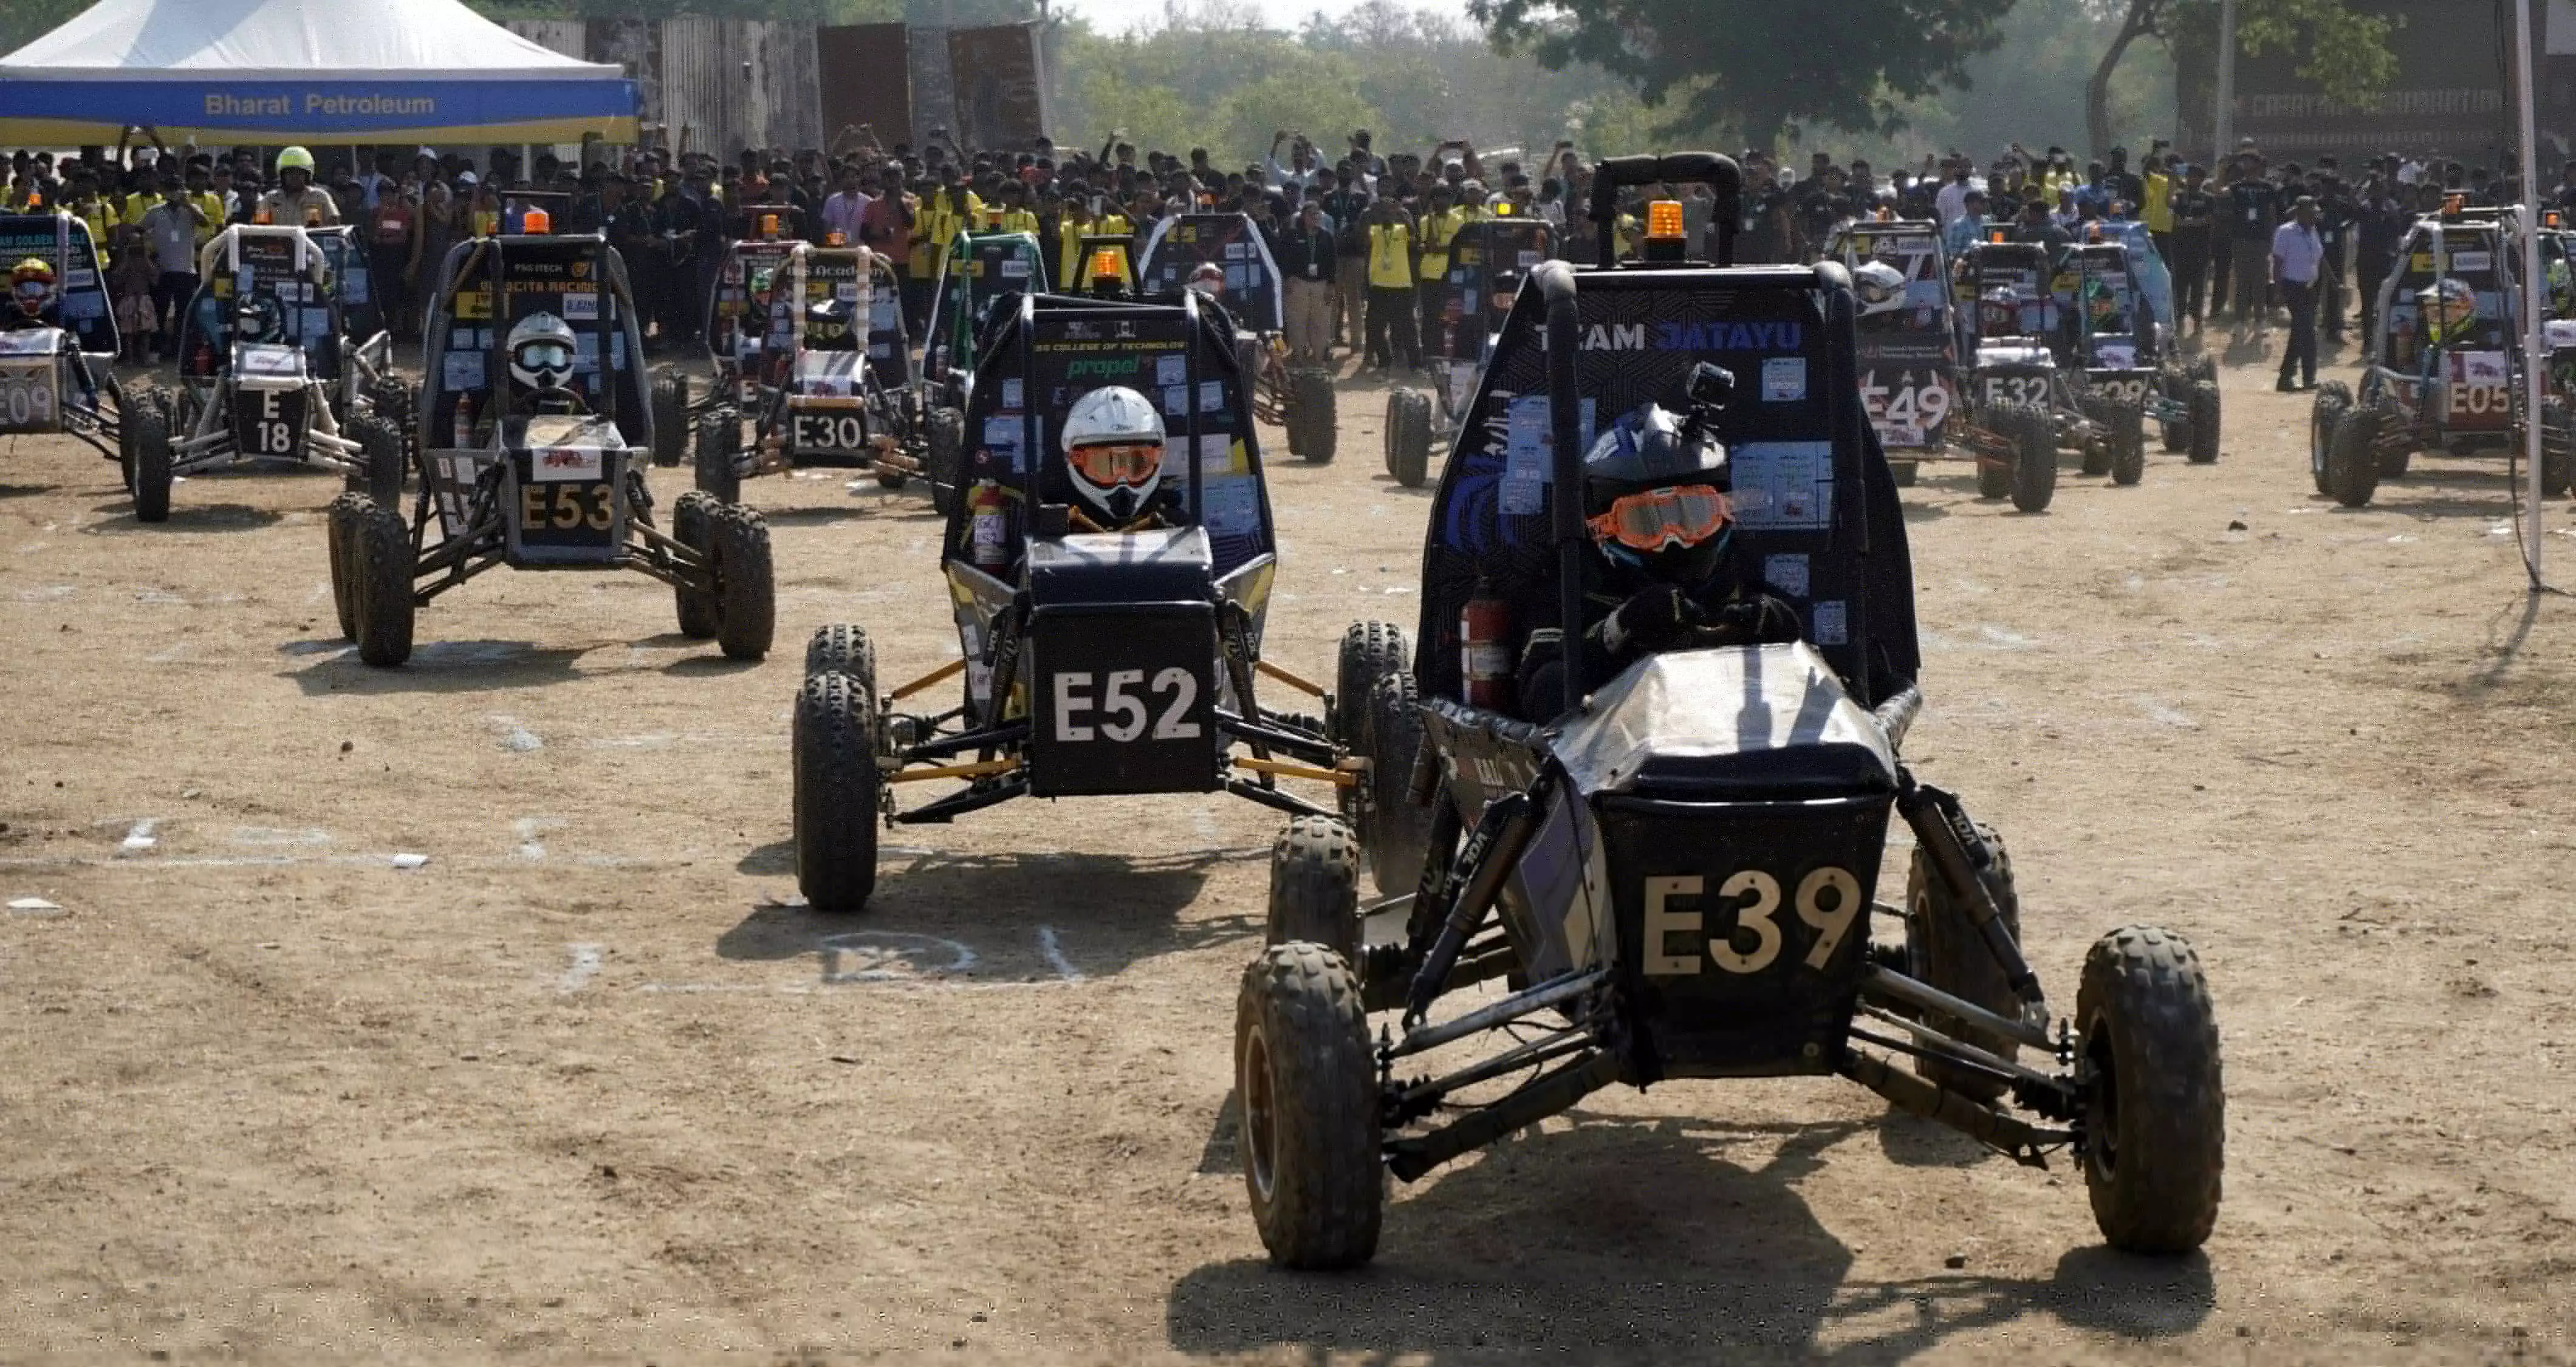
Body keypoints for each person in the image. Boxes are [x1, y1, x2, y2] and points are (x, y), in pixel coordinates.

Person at [1515, 366, 1801, 721]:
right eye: (1646, 522)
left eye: (1693, 515)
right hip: (1623, 761)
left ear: (1723, 512)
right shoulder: (1572, 585)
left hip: (1734, 757)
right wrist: (1621, 628)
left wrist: (1783, 629)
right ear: (1604, 528)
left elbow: (1836, 683)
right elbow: (1543, 695)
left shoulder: (1736, 579)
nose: (1673, 539)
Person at [1060, 385, 1168, 533]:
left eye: (1137, 464)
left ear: (1158, 457)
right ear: (1074, 460)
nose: (1122, 481)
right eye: (1103, 465)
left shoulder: (1176, 527)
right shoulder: (1051, 529)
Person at [137, 179, 205, 362]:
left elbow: (205, 222)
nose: (174, 193)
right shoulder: (155, 212)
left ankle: (179, 352)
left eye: (178, 189)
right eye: (170, 190)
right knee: (160, 310)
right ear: (163, 191)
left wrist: (188, 205)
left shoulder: (191, 210)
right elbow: (138, 232)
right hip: (163, 270)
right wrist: (148, 251)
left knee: (184, 313)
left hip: (186, 270)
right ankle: (156, 350)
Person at [2271, 195, 2324, 391]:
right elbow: (2277, 261)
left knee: (2299, 332)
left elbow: (2319, 257)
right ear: (2300, 212)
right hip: (2292, 287)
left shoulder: (2313, 232)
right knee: (2307, 332)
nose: (2314, 217)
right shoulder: (2285, 232)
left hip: (2310, 288)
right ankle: (2309, 377)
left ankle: (2285, 378)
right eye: (2311, 213)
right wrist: (2278, 291)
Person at [1363, 194, 1420, 372]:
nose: (1387, 213)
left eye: (1390, 210)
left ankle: (1415, 365)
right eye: (1383, 210)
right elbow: (1362, 238)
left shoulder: (1402, 230)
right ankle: (1384, 362)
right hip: (1379, 286)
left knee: (1408, 328)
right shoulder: (1375, 230)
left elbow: (1415, 238)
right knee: (1375, 327)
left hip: (1401, 285)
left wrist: (1405, 216)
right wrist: (1367, 214)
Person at [1276, 198, 1335, 366]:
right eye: (1311, 214)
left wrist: (1331, 284)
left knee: (1321, 322)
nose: (1315, 217)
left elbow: (1332, 261)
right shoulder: (1292, 235)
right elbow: (1281, 257)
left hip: (1321, 284)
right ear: (1303, 216)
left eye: (1317, 214)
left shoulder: (1326, 236)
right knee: (1297, 321)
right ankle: (1299, 358)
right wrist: (1288, 277)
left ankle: (1318, 360)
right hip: (1298, 284)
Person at [259, 146, 339, 227]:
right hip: (280, 239)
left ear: (307, 175)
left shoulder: (321, 196)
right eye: (290, 172)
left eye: (299, 173)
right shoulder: (269, 199)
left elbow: (334, 227)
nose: (295, 176)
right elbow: (259, 228)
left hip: (312, 239)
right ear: (282, 175)